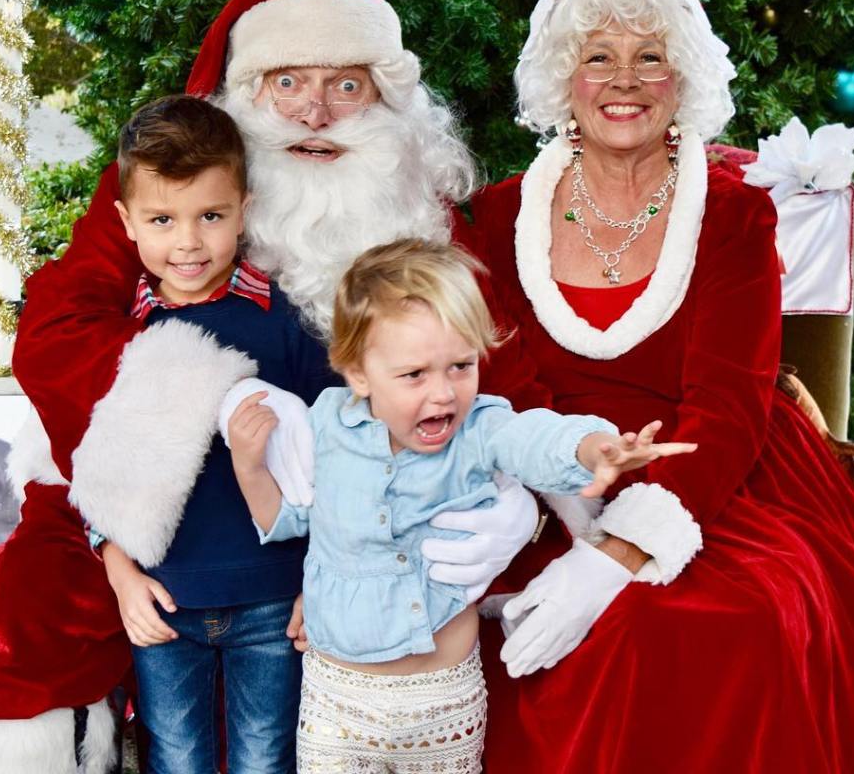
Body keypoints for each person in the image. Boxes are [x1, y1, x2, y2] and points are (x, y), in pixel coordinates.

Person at [0, 0, 539, 773]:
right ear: (244, 92)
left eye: (347, 85)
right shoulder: (174, 190)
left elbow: (498, 363)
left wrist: (518, 499)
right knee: (38, 612)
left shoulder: (415, 207)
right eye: (287, 82)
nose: (316, 112)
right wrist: (216, 395)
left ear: (389, 98)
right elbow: (58, 331)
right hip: (147, 478)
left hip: (358, 500)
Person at [452, 0, 854, 772]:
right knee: (510, 629)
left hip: (720, 469)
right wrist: (576, 506)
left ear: (682, 79)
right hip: (550, 473)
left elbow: (730, 403)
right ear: (563, 79)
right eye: (598, 57)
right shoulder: (499, 216)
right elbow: (505, 381)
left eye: (651, 57)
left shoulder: (736, 213)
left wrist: (620, 552)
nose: (625, 79)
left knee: (734, 622)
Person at [224, 238, 694, 774]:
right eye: (415, 374)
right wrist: (250, 468)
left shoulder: (479, 428)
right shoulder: (327, 425)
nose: (444, 393)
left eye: (460, 366)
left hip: (443, 701)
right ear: (358, 373)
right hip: (338, 701)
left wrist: (594, 448)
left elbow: (534, 439)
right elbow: (289, 519)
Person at [75, 94, 330, 773]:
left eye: (210, 216)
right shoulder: (121, 335)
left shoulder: (287, 323)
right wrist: (121, 574)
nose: (188, 242)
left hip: (273, 598)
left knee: (266, 759)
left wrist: (320, 582)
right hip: (163, 599)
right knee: (177, 759)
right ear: (127, 221)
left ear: (244, 209)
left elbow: (340, 457)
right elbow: (94, 469)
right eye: (163, 220)